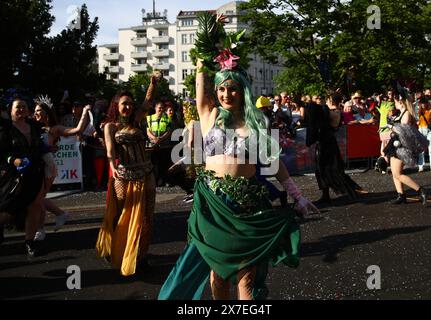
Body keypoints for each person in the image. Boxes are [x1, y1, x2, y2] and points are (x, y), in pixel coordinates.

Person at [158, 13, 318, 300]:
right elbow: (200, 83)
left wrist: (298, 196)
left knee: (246, 278)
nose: (225, 93)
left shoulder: (256, 123)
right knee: (217, 277)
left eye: (231, 88)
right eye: (221, 88)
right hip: (214, 204)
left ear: (242, 90)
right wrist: (207, 46)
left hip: (248, 205)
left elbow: (274, 163)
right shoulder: (208, 116)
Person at [96, 72, 161, 276]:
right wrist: (113, 167)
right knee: (122, 214)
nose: (128, 107)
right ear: (117, 105)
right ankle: (117, 247)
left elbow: (148, 101)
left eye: (131, 103)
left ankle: (141, 256)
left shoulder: (137, 119)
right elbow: (109, 150)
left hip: (146, 172)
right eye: (124, 103)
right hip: (123, 175)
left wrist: (152, 83)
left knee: (147, 218)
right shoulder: (110, 126)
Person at [32, 97, 91, 241]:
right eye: (35, 111)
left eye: (39, 110)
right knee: (37, 198)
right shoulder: (32, 126)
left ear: (47, 112)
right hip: (34, 167)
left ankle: (41, 229)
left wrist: (84, 112)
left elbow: (77, 129)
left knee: (38, 199)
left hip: (47, 167)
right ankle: (58, 215)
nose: (36, 114)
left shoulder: (54, 129)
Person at [0, 97, 46, 256]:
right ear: (10, 110)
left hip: (35, 173)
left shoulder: (34, 126)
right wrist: (14, 160)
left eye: (24, 107)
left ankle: (29, 243)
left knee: (34, 207)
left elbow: (39, 146)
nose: (21, 109)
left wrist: (48, 149)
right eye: (18, 107)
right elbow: (3, 153)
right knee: (9, 209)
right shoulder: (5, 129)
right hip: (15, 177)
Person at [306, 94, 363, 204]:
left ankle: (350, 191)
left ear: (330, 100)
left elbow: (332, 122)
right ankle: (326, 195)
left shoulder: (334, 112)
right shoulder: (327, 111)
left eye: (323, 99)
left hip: (328, 144)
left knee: (333, 170)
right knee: (321, 169)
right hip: (323, 143)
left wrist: (322, 109)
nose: (321, 100)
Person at [383, 90, 429, 205]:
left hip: (402, 147)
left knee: (398, 173)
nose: (394, 103)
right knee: (394, 173)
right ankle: (401, 195)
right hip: (395, 145)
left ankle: (421, 190)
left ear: (401, 102)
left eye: (395, 101)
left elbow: (402, 131)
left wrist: (390, 125)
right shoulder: (400, 113)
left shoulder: (407, 114)